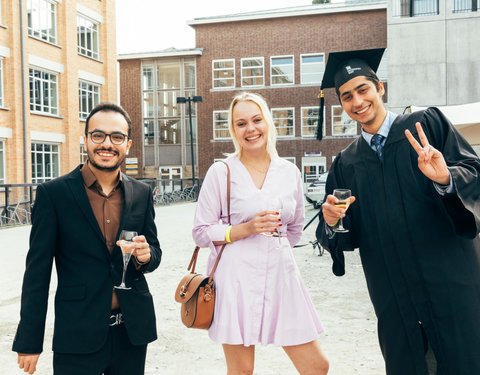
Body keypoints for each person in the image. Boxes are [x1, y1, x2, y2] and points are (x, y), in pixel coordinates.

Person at [316, 48, 480, 375]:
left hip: (451, 286)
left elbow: (474, 172)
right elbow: (342, 234)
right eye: (347, 96)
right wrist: (332, 222)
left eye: (363, 90)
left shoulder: (426, 125)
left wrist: (446, 178)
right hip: (394, 298)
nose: (357, 101)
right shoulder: (346, 164)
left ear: (380, 88)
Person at [12, 103, 162, 375]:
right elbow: (37, 273)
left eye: (117, 137)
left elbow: (154, 252)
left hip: (132, 330)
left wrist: (147, 255)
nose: (107, 143)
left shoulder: (141, 192)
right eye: (98, 135)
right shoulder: (53, 194)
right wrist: (29, 340)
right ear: (86, 140)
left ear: (127, 144)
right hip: (77, 332)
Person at [193, 92, 329, 375]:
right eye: (241, 123)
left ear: (268, 122)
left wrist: (273, 249)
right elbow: (201, 232)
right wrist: (247, 229)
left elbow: (294, 230)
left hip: (281, 275)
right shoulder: (221, 172)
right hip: (235, 278)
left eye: (257, 120)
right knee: (242, 371)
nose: (251, 128)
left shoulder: (289, 172)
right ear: (233, 130)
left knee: (317, 367)